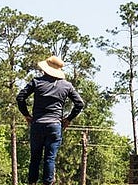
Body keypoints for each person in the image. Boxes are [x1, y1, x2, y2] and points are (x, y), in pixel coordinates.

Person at [17, 55, 86, 185]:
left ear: (45, 69)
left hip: (37, 124)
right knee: (50, 158)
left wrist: (26, 115)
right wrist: (68, 119)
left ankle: (32, 183)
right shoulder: (66, 86)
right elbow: (79, 104)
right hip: (54, 125)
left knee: (35, 158)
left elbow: (20, 98)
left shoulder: (36, 82)